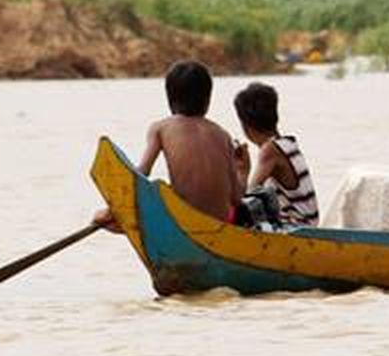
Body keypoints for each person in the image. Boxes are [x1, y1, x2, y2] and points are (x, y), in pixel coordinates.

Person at [93, 59, 245, 230]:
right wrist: (242, 171)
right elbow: (237, 198)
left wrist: (114, 208)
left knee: (101, 218)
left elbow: (142, 173)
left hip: (185, 224)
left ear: (170, 98)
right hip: (221, 226)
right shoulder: (223, 135)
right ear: (208, 99)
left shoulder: (161, 128)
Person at [231, 81, 320, 229]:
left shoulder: (269, 150)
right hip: (306, 225)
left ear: (246, 125)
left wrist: (243, 170)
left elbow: (248, 196)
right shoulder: (287, 143)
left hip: (296, 228)